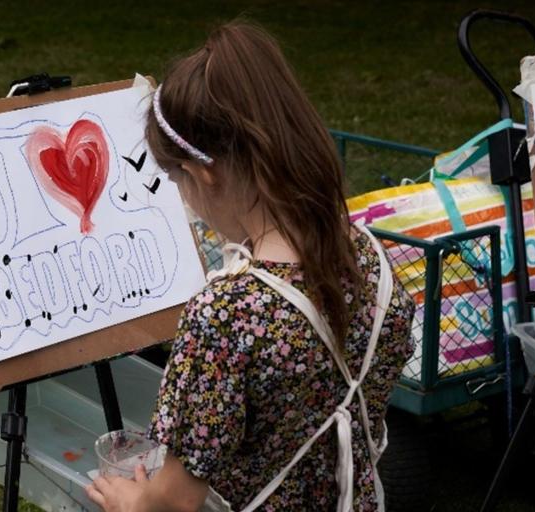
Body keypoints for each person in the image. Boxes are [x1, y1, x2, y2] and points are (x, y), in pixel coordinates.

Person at [86, 21, 415, 512]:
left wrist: (133, 503)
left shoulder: (226, 314)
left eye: (178, 181)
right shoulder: (369, 258)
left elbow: (175, 501)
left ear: (201, 173)